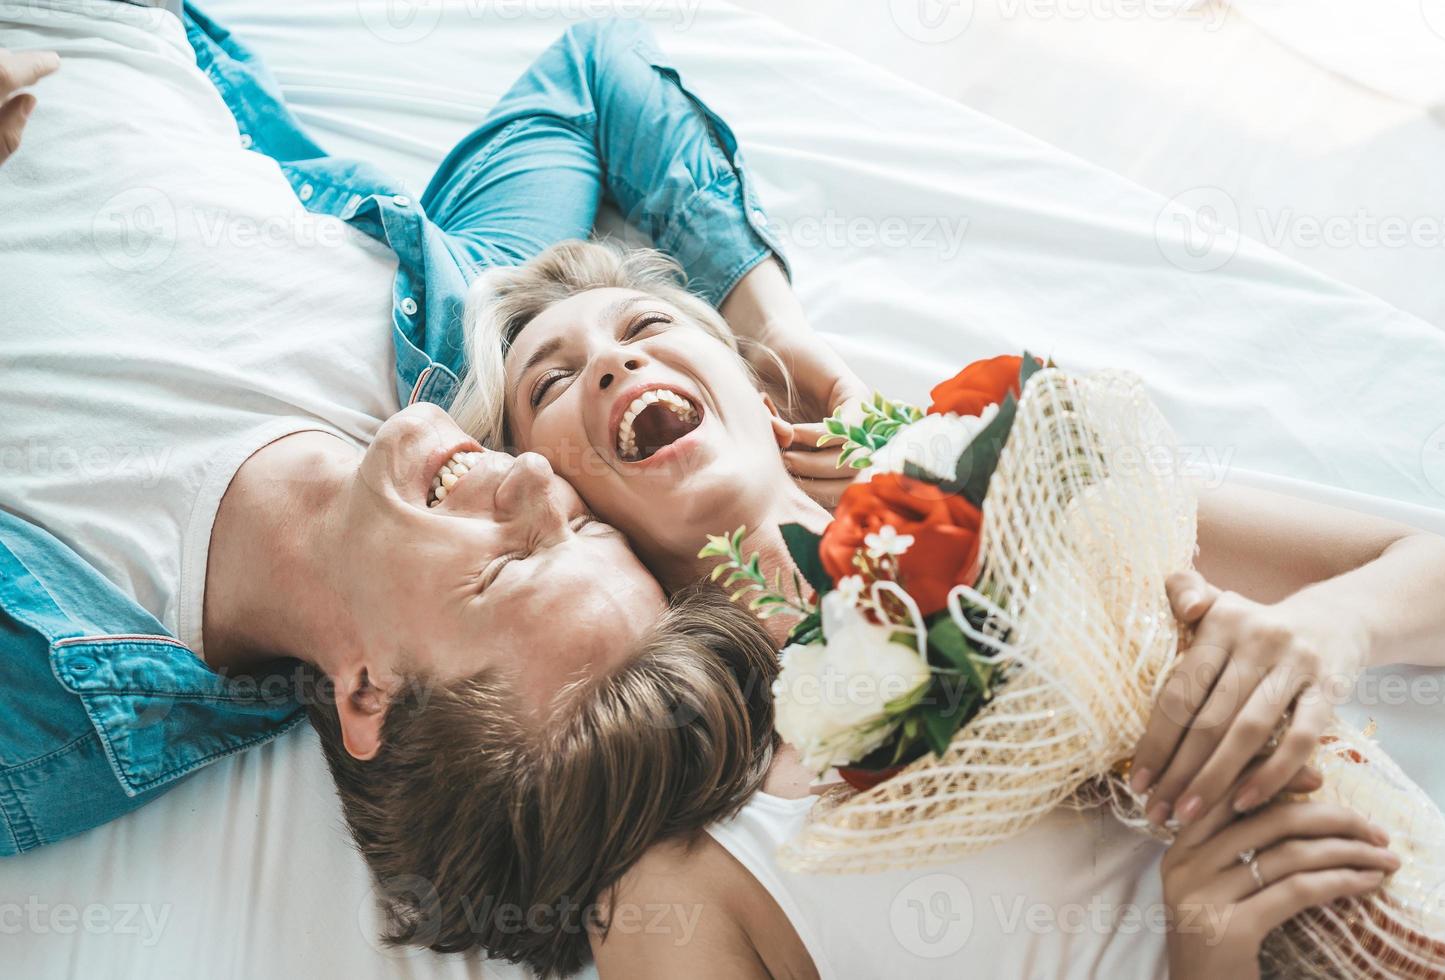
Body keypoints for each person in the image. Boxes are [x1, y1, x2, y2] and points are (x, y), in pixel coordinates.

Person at [0, 8, 846, 961]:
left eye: (507, 570)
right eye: (584, 522)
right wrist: (776, 330)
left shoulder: (43, 708)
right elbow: (592, 75)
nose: (530, 475)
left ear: (370, 692)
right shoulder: (460, 338)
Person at [450, 238, 1445, 978]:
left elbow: (1443, 576)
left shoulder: (1032, 481)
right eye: (554, 380)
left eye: (647, 326)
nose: (617, 363)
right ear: (558, 501)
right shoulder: (676, 878)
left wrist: (1334, 626)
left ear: (761, 394)